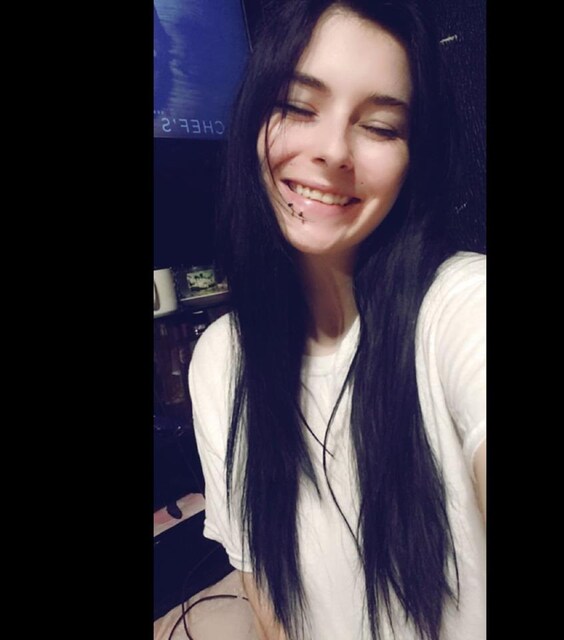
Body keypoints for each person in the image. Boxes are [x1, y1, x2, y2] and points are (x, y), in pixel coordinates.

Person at [188, 1, 486, 638]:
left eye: (379, 126)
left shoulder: (464, 305)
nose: (332, 151)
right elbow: (270, 602)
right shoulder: (221, 360)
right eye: (298, 107)